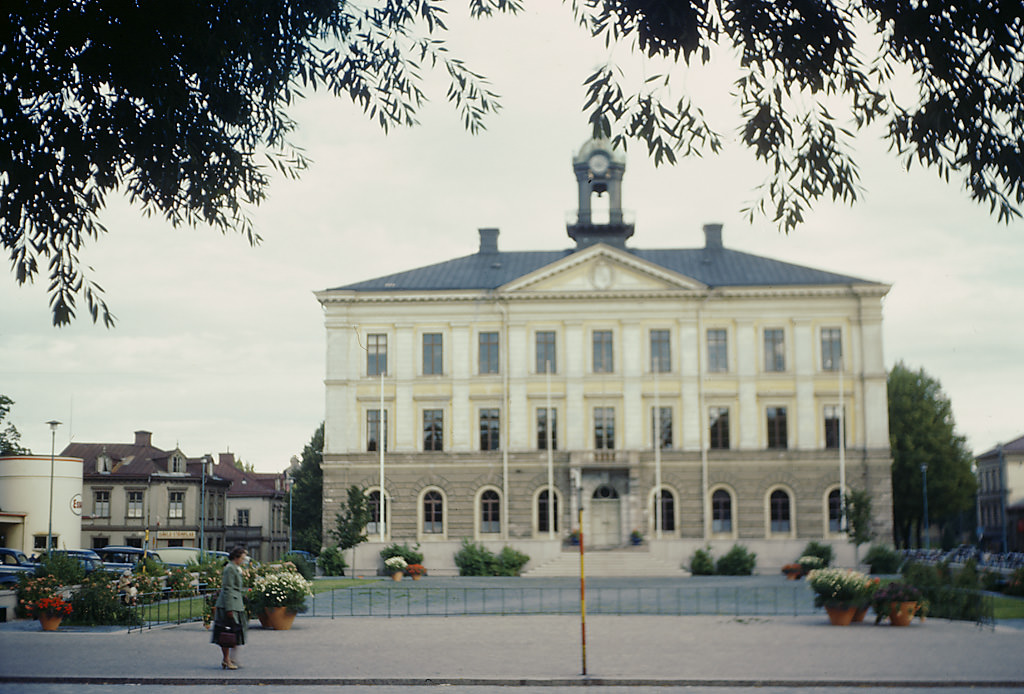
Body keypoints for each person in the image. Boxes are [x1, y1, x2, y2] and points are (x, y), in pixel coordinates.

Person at [211, 546, 248, 670]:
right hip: (228, 605)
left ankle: (232, 658)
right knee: (227, 633)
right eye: (242, 558)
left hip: (237, 604)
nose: (243, 560)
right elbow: (227, 588)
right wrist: (229, 608)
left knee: (236, 632)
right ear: (236, 557)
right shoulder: (229, 569)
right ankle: (226, 659)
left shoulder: (236, 568)